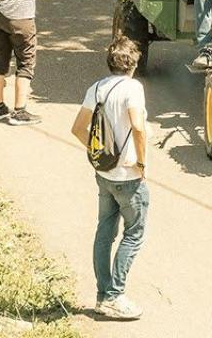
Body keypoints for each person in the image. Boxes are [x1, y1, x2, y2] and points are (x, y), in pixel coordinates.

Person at [72, 37, 150, 322]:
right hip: (128, 176)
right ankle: (115, 296)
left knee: (104, 232)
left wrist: (100, 153)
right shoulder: (133, 88)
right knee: (134, 234)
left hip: (104, 174)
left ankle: (102, 295)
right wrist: (141, 162)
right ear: (134, 64)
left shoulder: (96, 88)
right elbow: (138, 127)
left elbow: (77, 128)